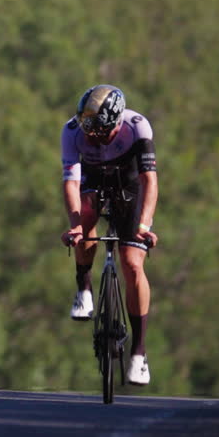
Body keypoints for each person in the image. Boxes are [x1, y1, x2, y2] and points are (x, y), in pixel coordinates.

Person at [60, 84, 159, 386]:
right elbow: (71, 183)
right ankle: (84, 287)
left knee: (132, 263)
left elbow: (149, 182)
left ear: (116, 123)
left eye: (100, 132)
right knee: (85, 218)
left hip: (128, 187)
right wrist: (75, 224)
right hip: (92, 182)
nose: (92, 137)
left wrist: (144, 226)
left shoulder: (138, 128)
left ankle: (139, 353)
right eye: (88, 131)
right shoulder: (72, 131)